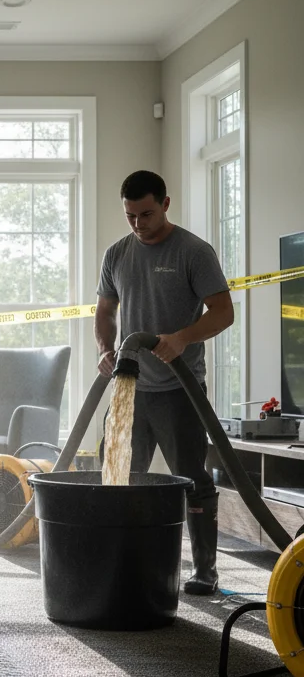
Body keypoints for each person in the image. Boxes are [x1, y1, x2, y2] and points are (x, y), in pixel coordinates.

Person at [95, 170, 234, 595]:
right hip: (128, 387)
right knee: (116, 473)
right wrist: (105, 347)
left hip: (180, 389)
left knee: (193, 478)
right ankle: (116, 560)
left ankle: (205, 571)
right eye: (131, 215)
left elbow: (223, 312)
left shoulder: (194, 252)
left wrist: (180, 339)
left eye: (147, 214)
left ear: (166, 204)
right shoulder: (117, 254)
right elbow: (105, 311)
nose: (138, 223)